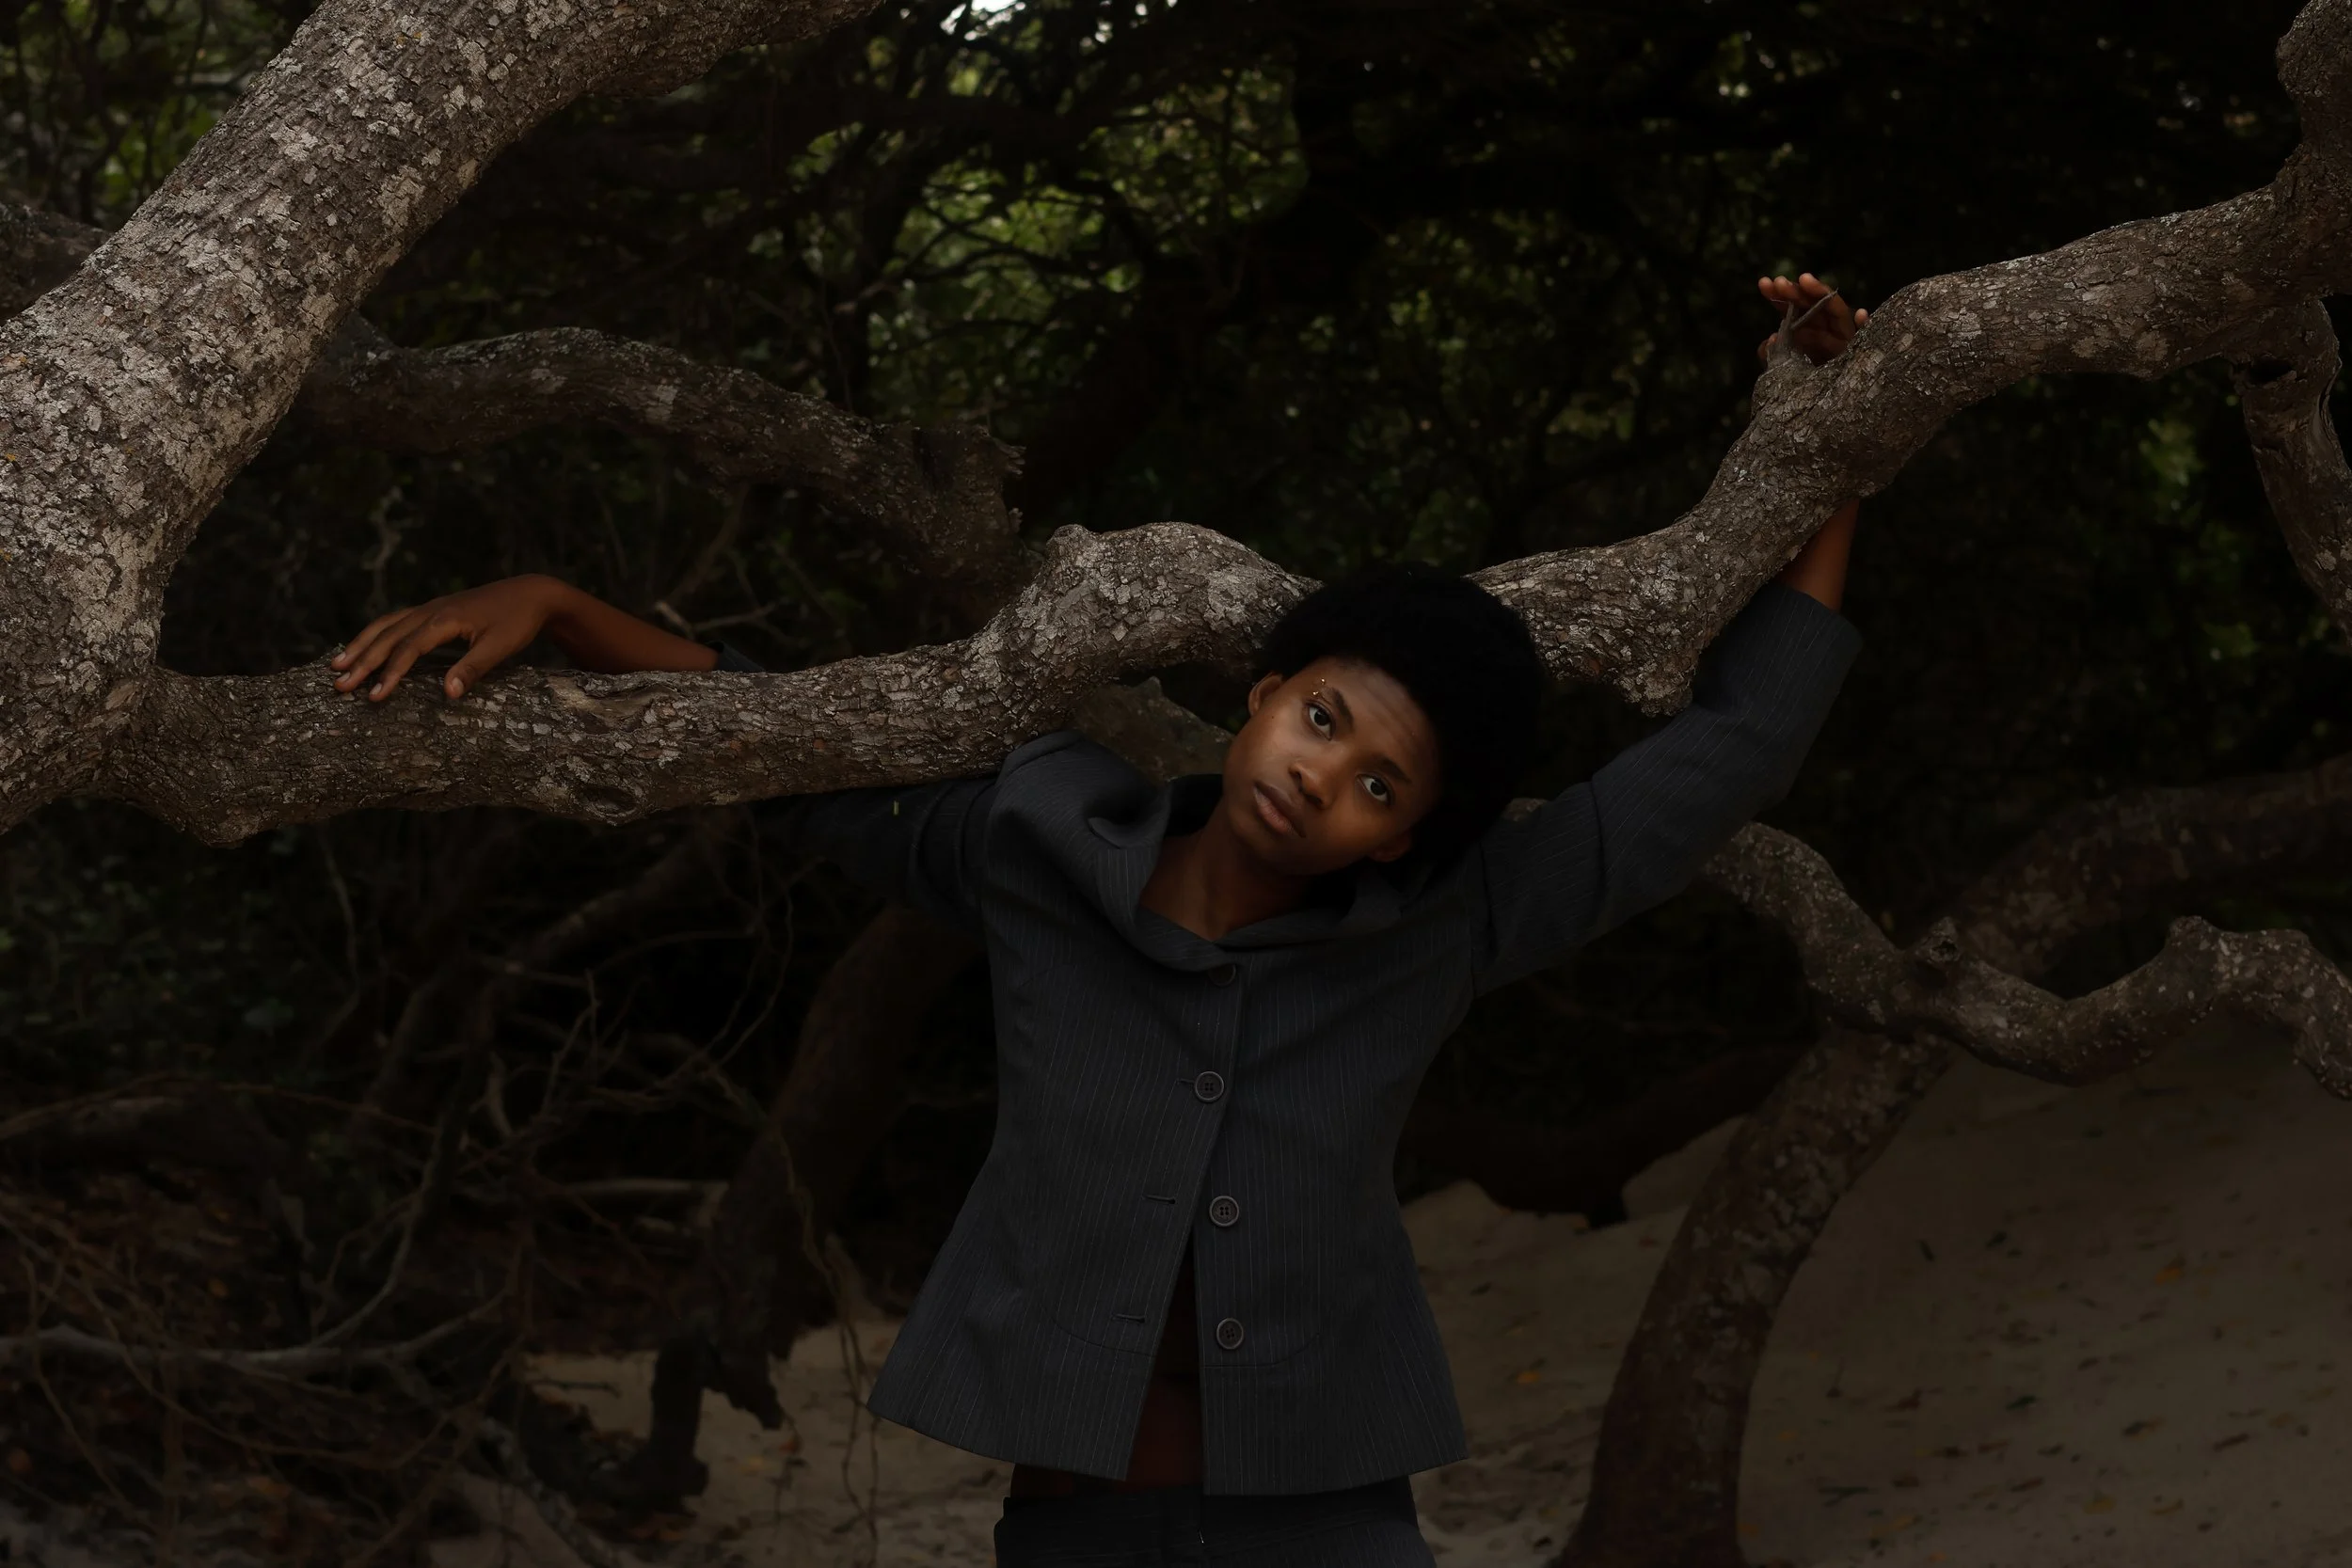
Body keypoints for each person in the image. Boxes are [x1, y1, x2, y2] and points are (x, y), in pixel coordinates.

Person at [331, 275, 1867, 1565]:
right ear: (1264, 691)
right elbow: (782, 752)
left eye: (1381, 784)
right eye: (1324, 718)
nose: (1324, 777)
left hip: (1332, 1522)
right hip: (1077, 1528)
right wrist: (558, 602)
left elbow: (1725, 754)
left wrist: (1833, 446)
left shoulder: (1438, 925)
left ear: (1410, 832)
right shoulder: (1036, 841)